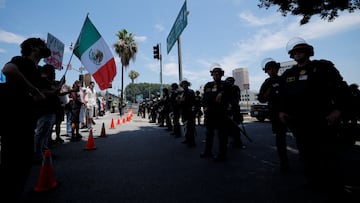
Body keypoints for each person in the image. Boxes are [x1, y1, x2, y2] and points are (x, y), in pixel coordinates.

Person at [278, 37, 352, 198]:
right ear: (292, 55)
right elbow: (282, 96)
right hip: (300, 122)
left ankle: (336, 186)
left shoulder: (323, 68)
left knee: (327, 153)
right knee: (306, 154)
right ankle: (314, 181)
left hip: (322, 119)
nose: (298, 53)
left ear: (308, 52)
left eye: (301, 50)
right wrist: (282, 111)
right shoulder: (289, 73)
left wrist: (339, 110)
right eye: (295, 51)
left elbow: (341, 89)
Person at [0, 37, 51, 200]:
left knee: (24, 161)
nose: (45, 47)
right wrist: (33, 89)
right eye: (41, 45)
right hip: (14, 117)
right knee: (12, 161)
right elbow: (8, 70)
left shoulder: (37, 69)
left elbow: (39, 93)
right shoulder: (21, 61)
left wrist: (54, 93)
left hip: (27, 120)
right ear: (33, 48)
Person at [257, 59, 289, 172]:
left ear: (277, 69)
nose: (271, 71)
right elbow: (261, 98)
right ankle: (284, 162)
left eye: (273, 68)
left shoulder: (285, 79)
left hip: (290, 111)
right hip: (275, 114)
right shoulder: (267, 83)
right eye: (269, 69)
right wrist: (266, 94)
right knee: (280, 138)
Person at [201, 65, 232, 162]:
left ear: (222, 74)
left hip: (221, 113)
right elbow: (204, 98)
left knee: (222, 135)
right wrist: (204, 107)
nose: (216, 75)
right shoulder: (208, 85)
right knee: (209, 134)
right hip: (210, 113)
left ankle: (222, 155)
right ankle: (207, 151)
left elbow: (231, 95)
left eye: (218, 73)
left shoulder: (226, 85)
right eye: (214, 73)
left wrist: (222, 93)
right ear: (212, 74)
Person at [33, 64, 63, 163]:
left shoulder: (49, 82)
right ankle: (37, 155)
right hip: (44, 111)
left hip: (51, 111)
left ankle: (45, 152)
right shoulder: (41, 81)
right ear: (48, 72)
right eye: (53, 72)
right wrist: (53, 92)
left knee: (46, 134)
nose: (54, 74)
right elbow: (41, 92)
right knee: (41, 133)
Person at [225, 76, 245, 149]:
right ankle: (229, 141)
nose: (230, 83)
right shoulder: (224, 88)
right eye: (229, 81)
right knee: (226, 127)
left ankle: (237, 142)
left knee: (236, 126)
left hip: (235, 110)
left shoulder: (235, 88)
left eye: (231, 81)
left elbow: (236, 99)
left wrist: (232, 107)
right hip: (226, 110)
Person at [178, 80, 197, 148]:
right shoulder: (182, 92)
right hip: (184, 111)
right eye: (183, 85)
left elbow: (193, 102)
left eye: (185, 84)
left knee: (190, 128)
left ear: (187, 85)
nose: (184, 86)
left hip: (189, 111)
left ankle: (192, 142)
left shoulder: (190, 91)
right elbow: (180, 101)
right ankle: (187, 139)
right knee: (185, 127)